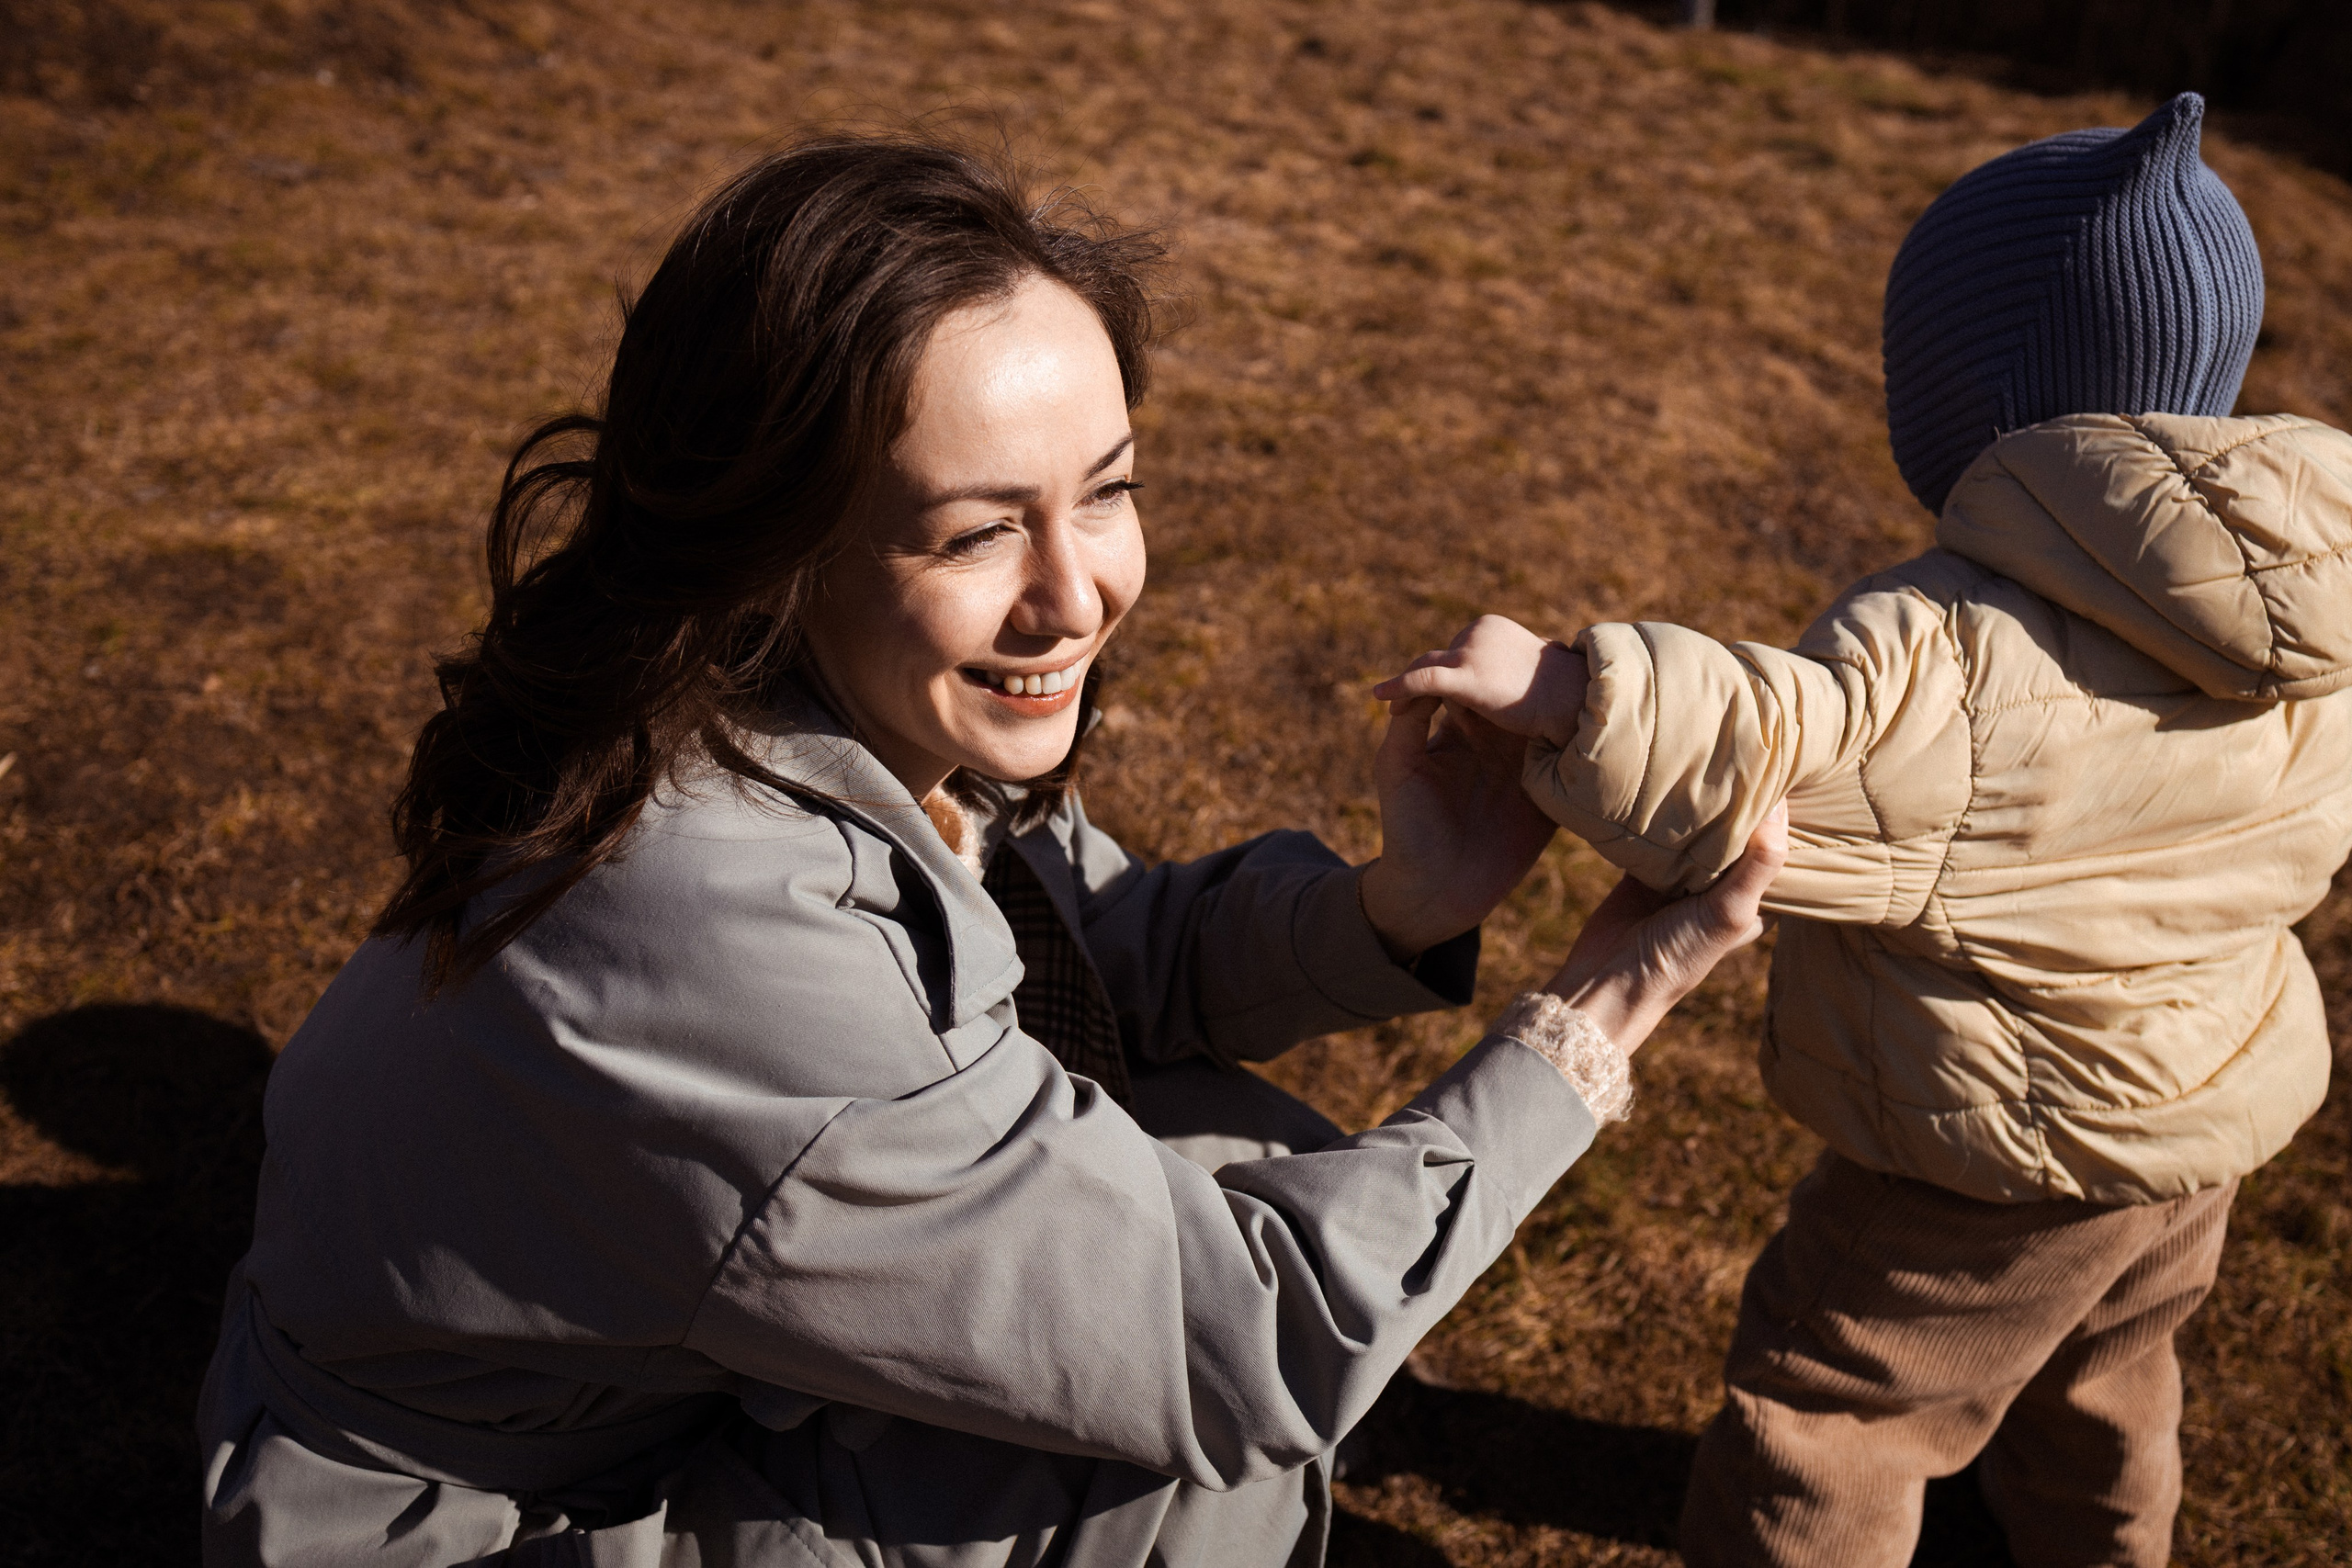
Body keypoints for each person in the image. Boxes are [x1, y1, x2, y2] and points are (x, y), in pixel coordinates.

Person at [197, 133, 1785, 1567]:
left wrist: (1399, 905)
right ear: (776, 540)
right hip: (478, 1526)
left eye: (1107, 493)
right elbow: (1248, 1345)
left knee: (1223, 1146)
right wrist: (1593, 1019)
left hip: (625, 1387)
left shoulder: (790, 687)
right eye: (975, 531)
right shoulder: (724, 920)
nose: (1075, 597)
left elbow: (1078, 959)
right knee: (1169, 1465)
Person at [1374, 93, 2352, 1568]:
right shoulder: (2307, 602)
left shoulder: (1955, 651)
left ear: (1980, 403)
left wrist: (1568, 691)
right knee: (2106, 1380)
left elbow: (1783, 748)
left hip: (1993, 1155)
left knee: (1829, 1411)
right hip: (2200, 1119)